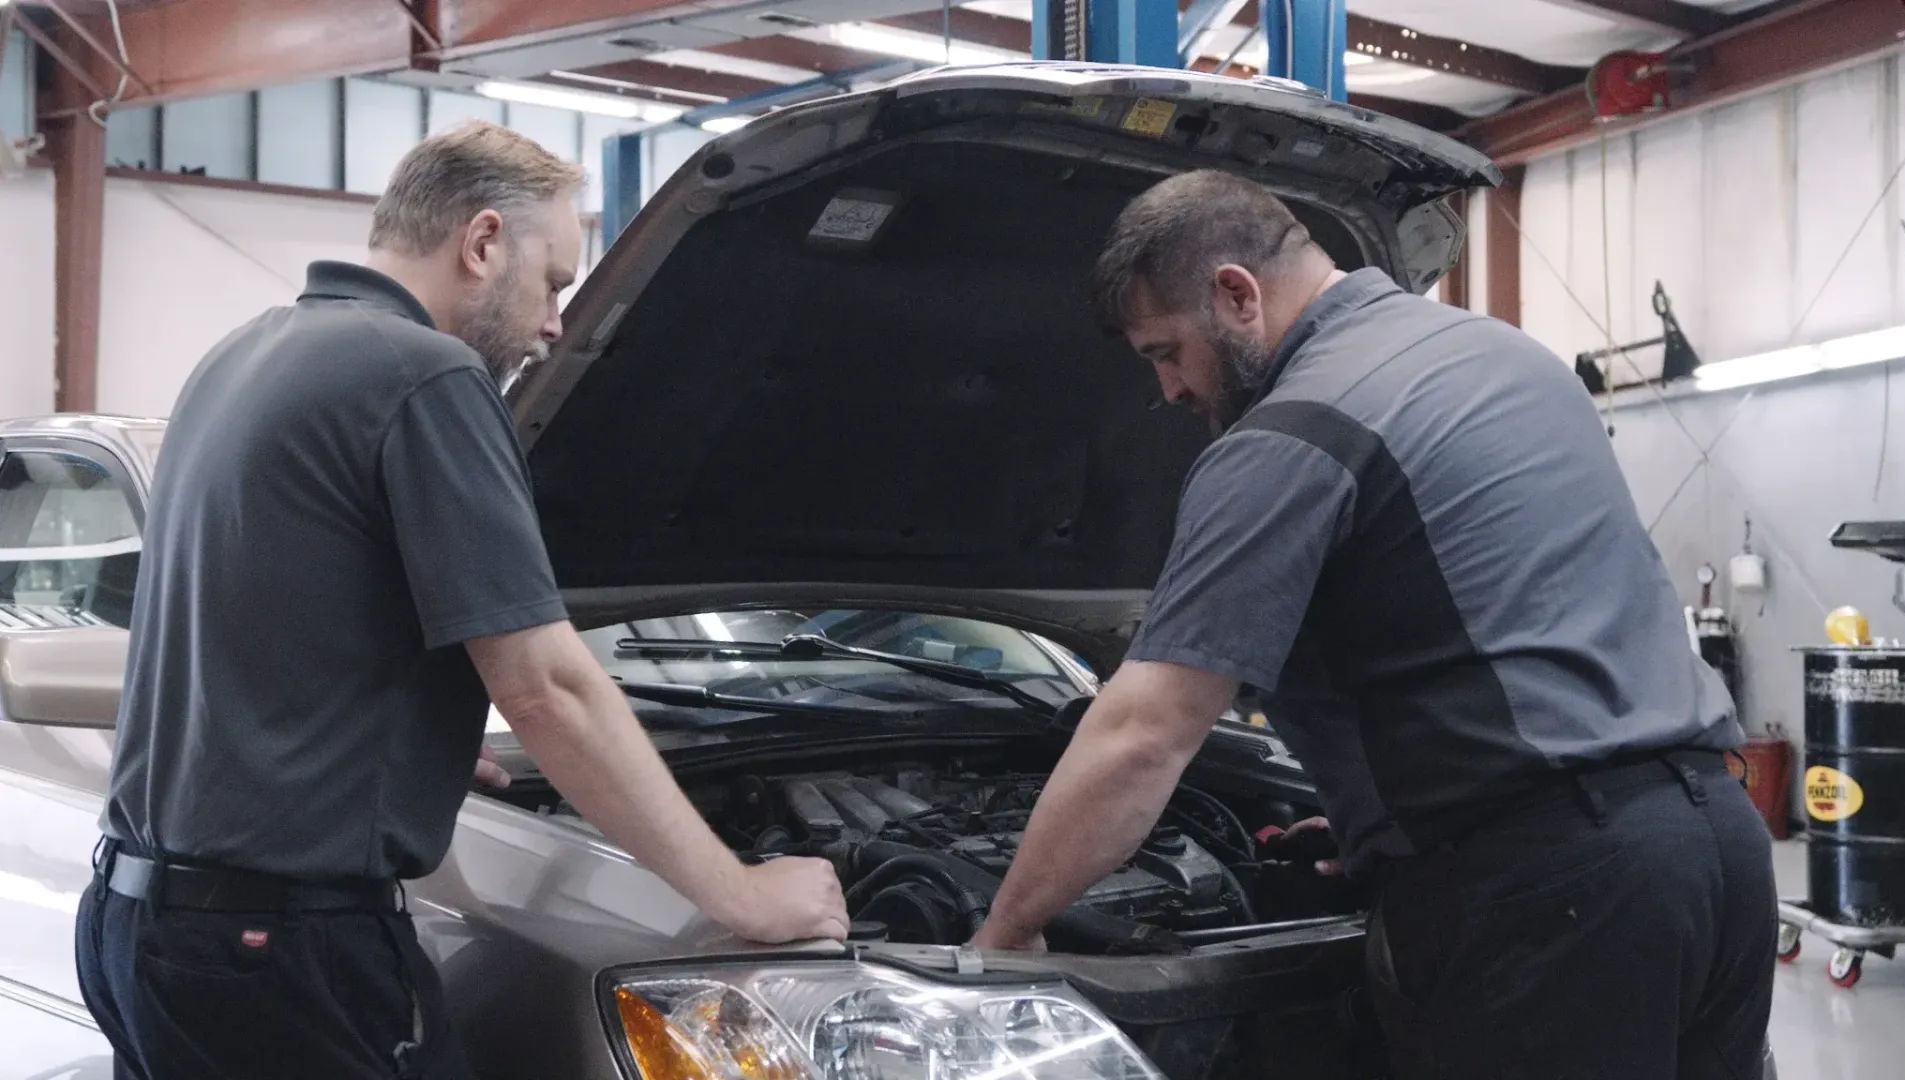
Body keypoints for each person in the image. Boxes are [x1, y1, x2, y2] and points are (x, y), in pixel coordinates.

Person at [75, 121, 848, 1080]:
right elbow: (548, 689)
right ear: (482, 244)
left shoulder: (244, 356)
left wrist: (406, 732)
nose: (558, 323)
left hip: (139, 928)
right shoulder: (425, 371)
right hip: (284, 954)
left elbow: (262, 620)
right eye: (555, 281)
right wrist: (742, 894)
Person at [971, 171, 1775, 1079]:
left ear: (1237, 294)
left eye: (1166, 350)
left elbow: (1144, 735)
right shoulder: (1505, 355)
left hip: (1557, 896)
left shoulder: (1291, 434)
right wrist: (1383, 820)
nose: (1166, 390)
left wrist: (1005, 936)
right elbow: (1500, 624)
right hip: (1718, 844)